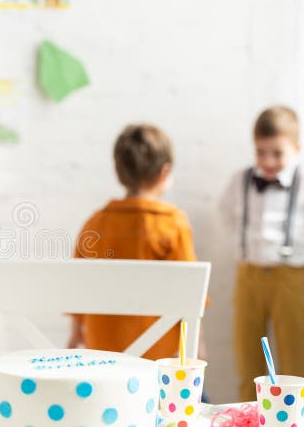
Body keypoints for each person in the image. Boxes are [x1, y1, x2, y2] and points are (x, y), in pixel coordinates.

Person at [220, 106, 304, 401]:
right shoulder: (243, 180)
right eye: (261, 152)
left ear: (296, 149)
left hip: (290, 277)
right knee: (247, 359)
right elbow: (228, 215)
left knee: (294, 362)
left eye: (277, 153)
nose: (268, 161)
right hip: (248, 276)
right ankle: (248, 422)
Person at [68, 123, 203, 360]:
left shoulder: (95, 224)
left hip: (103, 351)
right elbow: (190, 294)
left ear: (120, 171)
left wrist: (75, 332)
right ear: (164, 172)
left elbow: (78, 286)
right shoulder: (173, 224)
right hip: (157, 355)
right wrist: (197, 342)